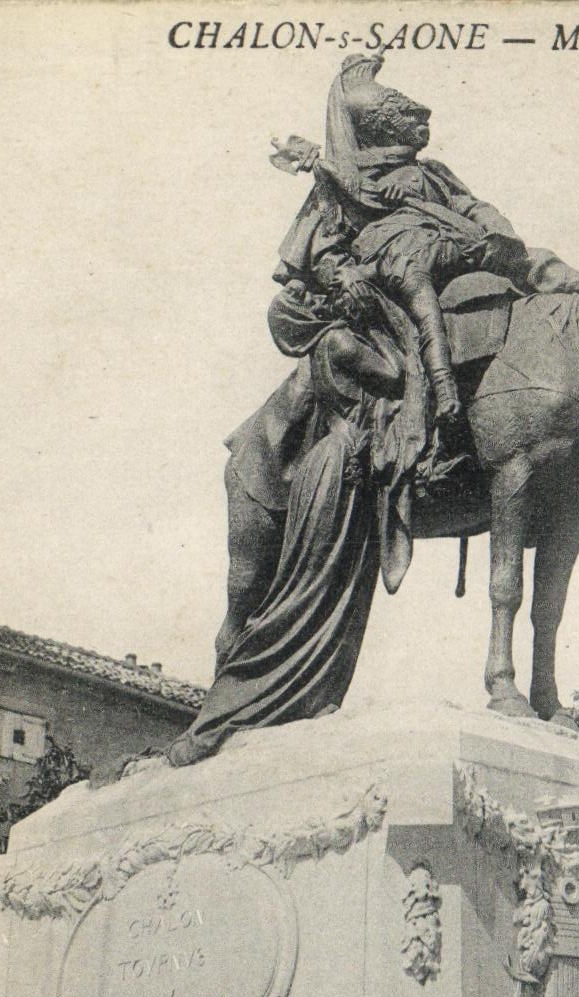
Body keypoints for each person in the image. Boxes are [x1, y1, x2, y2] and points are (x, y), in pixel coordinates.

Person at [273, 53, 579, 427]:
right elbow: (322, 250)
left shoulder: (431, 172)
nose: (420, 124)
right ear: (383, 129)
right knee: (422, 299)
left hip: (461, 244)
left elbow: (472, 206)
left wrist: (498, 234)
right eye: (408, 118)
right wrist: (345, 275)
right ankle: (443, 386)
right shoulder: (341, 182)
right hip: (392, 269)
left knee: (540, 261)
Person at [167, 285, 404, 765]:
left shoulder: (322, 346)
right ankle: (272, 690)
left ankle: (282, 689)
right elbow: (394, 373)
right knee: (319, 581)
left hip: (333, 463)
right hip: (335, 465)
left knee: (319, 579)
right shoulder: (339, 343)